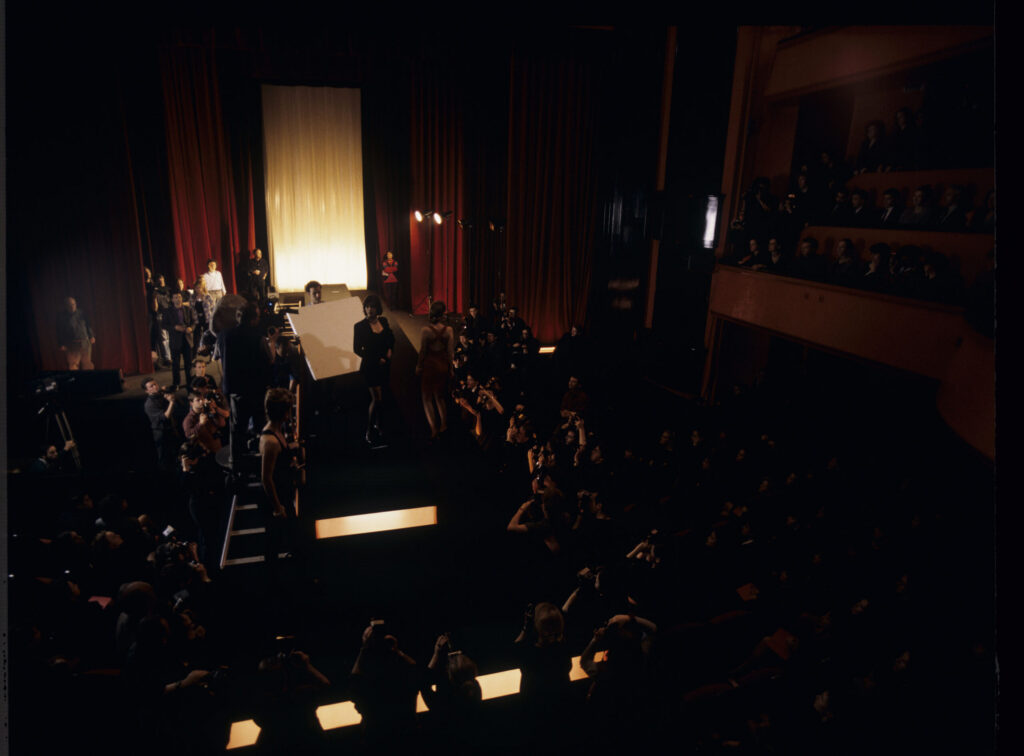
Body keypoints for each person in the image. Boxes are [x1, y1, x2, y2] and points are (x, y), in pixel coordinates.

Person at [259, 388, 302, 571]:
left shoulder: (277, 431)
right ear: (283, 412)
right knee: (274, 541)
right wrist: (278, 508)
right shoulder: (271, 442)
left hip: (283, 494)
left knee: (288, 535)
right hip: (277, 499)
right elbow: (266, 478)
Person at [354, 294, 395, 448]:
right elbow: (357, 349)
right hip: (370, 367)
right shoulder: (359, 326)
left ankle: (379, 424)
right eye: (367, 307)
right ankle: (369, 431)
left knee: (382, 397)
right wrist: (376, 358)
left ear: (378, 308)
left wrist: (390, 350)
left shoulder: (383, 321)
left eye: (373, 306)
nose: (370, 309)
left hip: (384, 365)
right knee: (376, 398)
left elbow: (391, 338)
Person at [416, 301, 455, 439]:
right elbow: (450, 353)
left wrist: (418, 365)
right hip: (443, 365)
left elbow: (423, 351)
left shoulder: (425, 330)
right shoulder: (449, 330)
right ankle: (443, 425)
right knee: (440, 397)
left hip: (430, 366)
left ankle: (434, 429)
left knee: (426, 398)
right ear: (442, 314)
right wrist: (451, 369)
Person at [143, 377, 180, 472]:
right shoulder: (149, 404)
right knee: (164, 456)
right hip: (160, 432)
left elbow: (178, 406)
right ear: (147, 391)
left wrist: (169, 393)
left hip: (171, 427)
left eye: (155, 384)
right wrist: (171, 401)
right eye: (151, 386)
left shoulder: (161, 395)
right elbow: (165, 416)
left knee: (176, 451)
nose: (155, 387)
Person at [162, 291, 195, 389]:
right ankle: (176, 383)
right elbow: (163, 325)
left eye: (179, 297)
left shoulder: (188, 309)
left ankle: (190, 382)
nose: (178, 299)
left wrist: (191, 328)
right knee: (175, 364)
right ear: (172, 300)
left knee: (188, 363)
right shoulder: (167, 311)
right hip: (175, 340)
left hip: (187, 339)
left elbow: (194, 322)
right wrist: (174, 327)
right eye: (175, 297)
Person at [56, 296, 96, 370]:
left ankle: (89, 377)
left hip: (85, 342)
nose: (72, 307)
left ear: (76, 304)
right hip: (72, 344)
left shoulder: (82, 313)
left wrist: (91, 336)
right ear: (66, 306)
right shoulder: (62, 317)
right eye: (69, 305)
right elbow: (60, 331)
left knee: (87, 363)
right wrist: (61, 344)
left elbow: (88, 325)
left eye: (73, 304)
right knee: (73, 365)